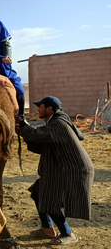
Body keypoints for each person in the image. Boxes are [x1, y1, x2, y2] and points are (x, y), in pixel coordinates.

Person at [15, 96, 94, 246]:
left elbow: (37, 135)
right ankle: (47, 229)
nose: (38, 109)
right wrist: (24, 132)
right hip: (65, 168)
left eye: (41, 107)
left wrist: (22, 125)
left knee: (49, 198)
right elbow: (41, 143)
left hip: (72, 170)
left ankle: (69, 234)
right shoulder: (59, 121)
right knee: (39, 192)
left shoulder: (58, 124)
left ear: (49, 109)